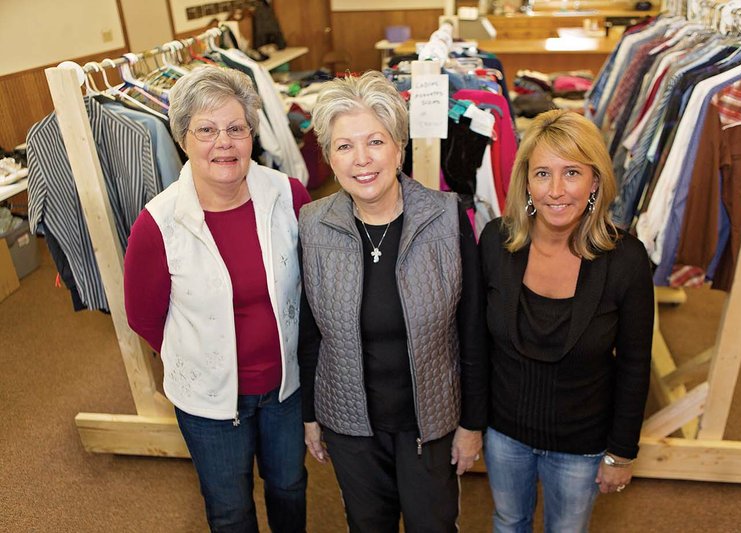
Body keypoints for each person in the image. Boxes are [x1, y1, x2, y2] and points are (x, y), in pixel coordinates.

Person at [298, 71, 488, 533]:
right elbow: (308, 332)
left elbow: (473, 330)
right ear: (329, 156)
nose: (361, 160)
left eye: (375, 142)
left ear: (399, 147)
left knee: (434, 525)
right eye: (344, 146)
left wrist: (472, 424)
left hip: (430, 423)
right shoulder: (312, 223)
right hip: (350, 424)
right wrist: (310, 416)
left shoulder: (446, 217)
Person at [123, 66, 310, 533]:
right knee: (230, 509)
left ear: (252, 134)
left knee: (290, 486)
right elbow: (144, 317)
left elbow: (316, 287)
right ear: (184, 139)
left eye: (235, 128)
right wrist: (201, 358)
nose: (222, 142)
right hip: (208, 402)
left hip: (286, 387)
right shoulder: (159, 223)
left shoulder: (288, 195)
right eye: (206, 130)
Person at [479, 109, 654, 533]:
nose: (556, 190)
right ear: (526, 182)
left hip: (582, 443)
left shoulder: (626, 259)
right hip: (504, 434)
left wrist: (621, 453)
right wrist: (471, 425)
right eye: (542, 174)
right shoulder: (496, 242)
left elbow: (634, 365)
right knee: (508, 521)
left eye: (571, 172)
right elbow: (475, 345)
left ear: (595, 181)